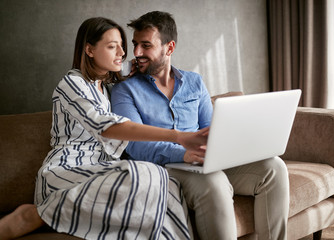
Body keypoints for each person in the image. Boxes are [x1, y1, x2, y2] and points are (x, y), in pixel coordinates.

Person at [0, 17, 209, 240]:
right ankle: (40, 213)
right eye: (112, 46)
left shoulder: (109, 89)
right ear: (89, 50)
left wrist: (138, 73)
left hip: (103, 170)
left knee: (168, 188)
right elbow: (107, 127)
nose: (122, 52)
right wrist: (178, 136)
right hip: (68, 170)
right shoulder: (72, 83)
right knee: (149, 172)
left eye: (121, 45)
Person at [111, 11, 290, 240]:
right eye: (136, 44)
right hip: (162, 166)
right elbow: (135, 146)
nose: (136, 52)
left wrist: (231, 147)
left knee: (273, 168)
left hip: (201, 160)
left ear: (169, 47)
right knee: (213, 182)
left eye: (146, 45)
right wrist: (184, 153)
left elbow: (212, 128)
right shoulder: (124, 90)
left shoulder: (194, 82)